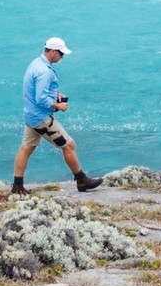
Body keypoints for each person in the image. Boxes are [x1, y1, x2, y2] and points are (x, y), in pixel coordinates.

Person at [14, 36, 101, 194]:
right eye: (61, 54)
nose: (62, 57)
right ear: (53, 51)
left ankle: (17, 185)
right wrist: (57, 105)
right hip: (42, 119)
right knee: (69, 145)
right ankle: (81, 180)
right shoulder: (44, 72)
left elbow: (37, 90)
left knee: (27, 147)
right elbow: (40, 98)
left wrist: (55, 94)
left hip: (31, 115)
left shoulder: (36, 63)